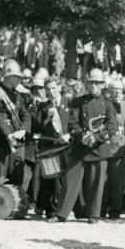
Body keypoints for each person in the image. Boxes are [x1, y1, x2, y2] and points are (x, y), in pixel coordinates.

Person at [49, 68, 117, 223]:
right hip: (81, 147)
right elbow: (72, 122)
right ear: (86, 84)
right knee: (70, 180)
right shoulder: (78, 102)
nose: (93, 86)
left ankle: (93, 215)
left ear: (102, 85)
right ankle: (61, 214)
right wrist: (82, 136)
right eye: (91, 83)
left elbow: (112, 125)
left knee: (97, 183)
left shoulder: (107, 104)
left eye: (96, 83)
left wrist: (97, 137)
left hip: (98, 148)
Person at [0, 59, 32, 191]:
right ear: (9, 77)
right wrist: (7, 134)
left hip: (17, 142)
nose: (19, 80)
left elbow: (26, 115)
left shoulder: (19, 95)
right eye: (17, 77)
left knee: (17, 179)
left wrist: (24, 131)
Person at [34, 77, 71, 219]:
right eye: (48, 89)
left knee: (65, 179)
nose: (51, 91)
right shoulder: (43, 106)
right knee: (50, 180)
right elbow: (37, 127)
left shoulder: (69, 103)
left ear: (60, 87)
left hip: (66, 145)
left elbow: (74, 122)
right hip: (49, 147)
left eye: (53, 88)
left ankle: (61, 207)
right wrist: (47, 119)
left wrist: (69, 136)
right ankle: (51, 210)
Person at [101, 77, 125, 219]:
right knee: (103, 181)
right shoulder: (104, 104)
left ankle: (115, 211)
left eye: (120, 90)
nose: (117, 93)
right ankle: (101, 209)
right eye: (114, 90)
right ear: (109, 91)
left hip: (121, 148)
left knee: (118, 182)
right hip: (105, 147)